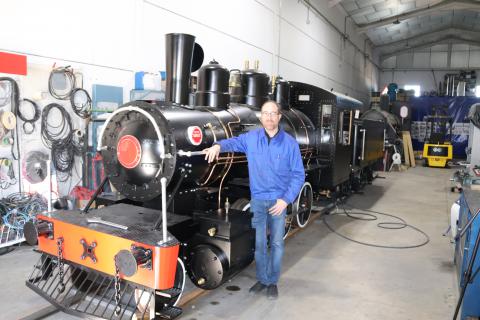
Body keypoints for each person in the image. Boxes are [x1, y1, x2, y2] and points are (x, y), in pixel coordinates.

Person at [203, 100, 305, 300]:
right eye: (265, 113)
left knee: (276, 244)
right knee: (258, 243)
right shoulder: (252, 138)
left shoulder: (290, 144)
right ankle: (262, 279)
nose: (268, 117)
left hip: (278, 202)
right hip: (258, 200)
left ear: (279, 117)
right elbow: (232, 142)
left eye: (272, 113)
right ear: (261, 117)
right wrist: (217, 145)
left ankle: (272, 281)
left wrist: (285, 200)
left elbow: (298, 175)